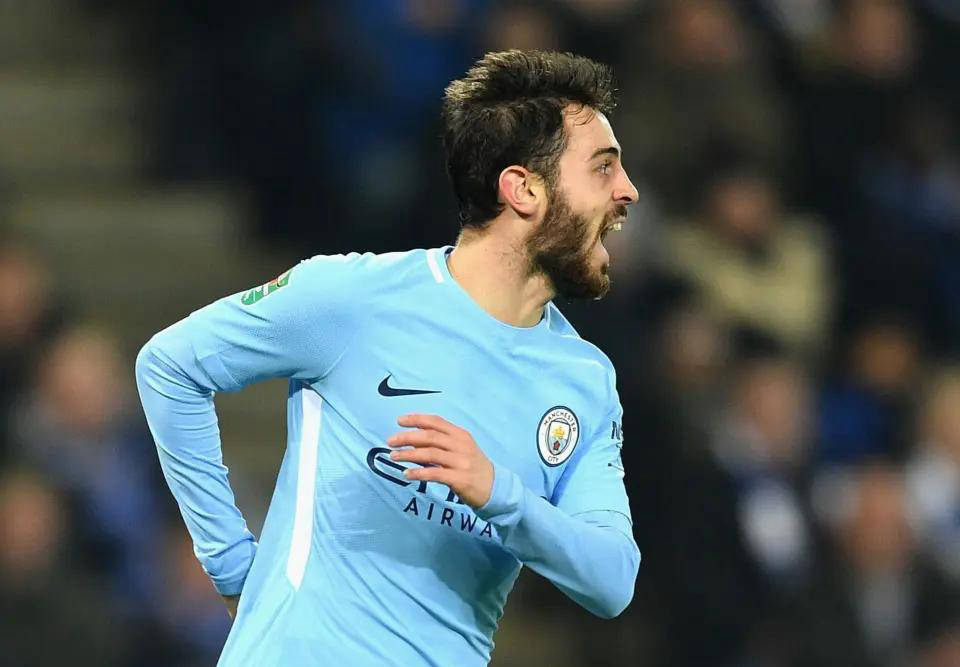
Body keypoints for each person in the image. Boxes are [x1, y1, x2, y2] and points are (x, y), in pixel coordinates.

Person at [136, 49, 641, 666]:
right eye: (603, 167)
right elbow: (170, 366)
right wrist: (233, 568)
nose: (628, 190)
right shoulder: (352, 298)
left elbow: (612, 580)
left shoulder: (584, 379)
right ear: (523, 189)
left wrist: (499, 494)